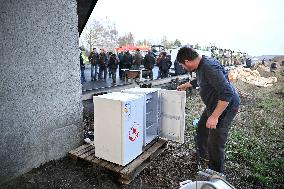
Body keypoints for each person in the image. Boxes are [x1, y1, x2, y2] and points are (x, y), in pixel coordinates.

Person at [176, 47, 240, 174]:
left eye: (182, 65)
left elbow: (227, 93)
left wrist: (215, 116)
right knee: (201, 129)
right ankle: (204, 157)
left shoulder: (209, 67)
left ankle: (216, 174)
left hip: (225, 107)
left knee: (215, 142)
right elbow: (202, 79)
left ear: (188, 61)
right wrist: (187, 85)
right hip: (213, 104)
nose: (183, 67)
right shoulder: (201, 65)